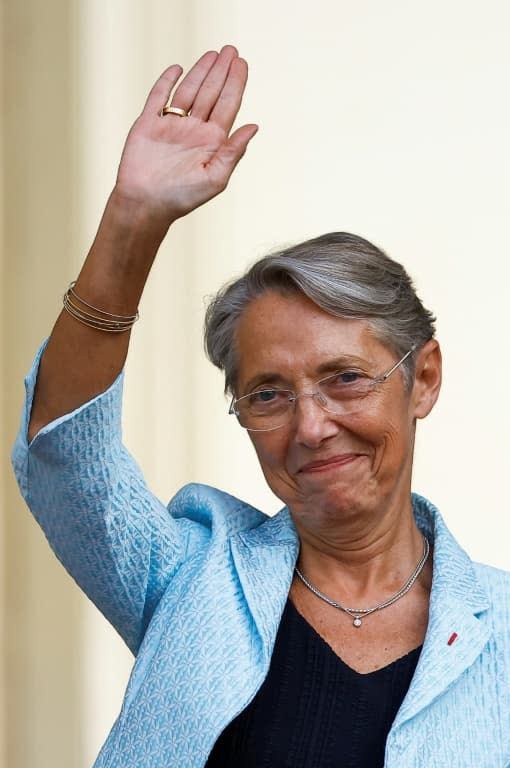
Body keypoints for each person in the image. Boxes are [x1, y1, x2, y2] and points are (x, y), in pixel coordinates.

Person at [12, 45, 510, 768]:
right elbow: (67, 460)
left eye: (345, 378)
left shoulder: (499, 631)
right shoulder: (188, 573)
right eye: (268, 395)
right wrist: (132, 220)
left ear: (423, 377)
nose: (311, 427)